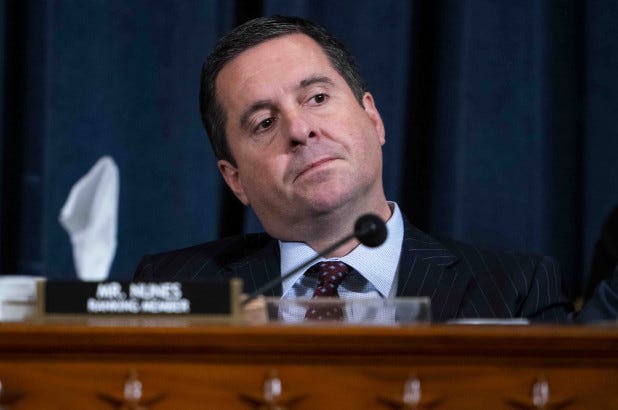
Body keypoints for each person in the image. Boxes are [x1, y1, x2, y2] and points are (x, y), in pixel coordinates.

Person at [133, 15, 571, 322]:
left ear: (373, 118)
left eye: (317, 98)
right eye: (264, 122)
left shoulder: (516, 290)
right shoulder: (173, 289)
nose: (300, 130)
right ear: (235, 180)